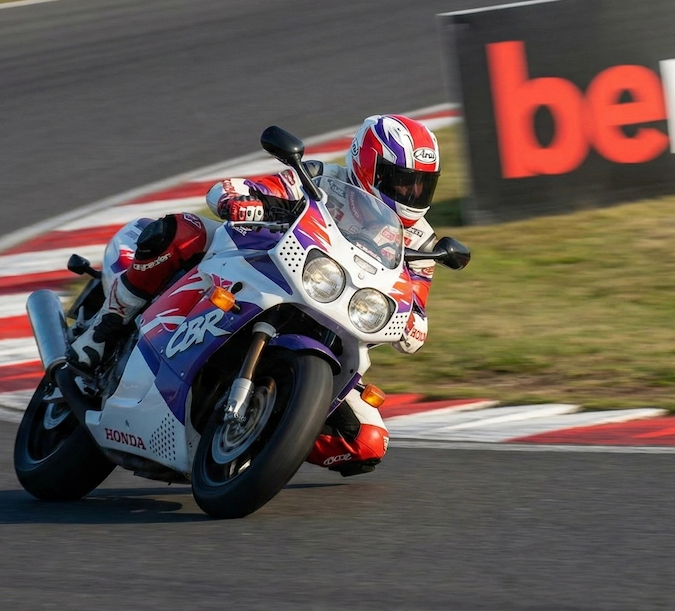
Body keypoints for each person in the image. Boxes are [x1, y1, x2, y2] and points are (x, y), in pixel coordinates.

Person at [66, 114, 442, 476]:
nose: (411, 193)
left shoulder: (423, 241)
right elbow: (237, 190)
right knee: (182, 230)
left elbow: (416, 304)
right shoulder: (320, 179)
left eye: (422, 184)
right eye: (402, 181)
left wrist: (413, 324)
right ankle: (104, 329)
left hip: (337, 316)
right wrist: (243, 199)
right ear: (366, 164)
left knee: (367, 443)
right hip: (263, 267)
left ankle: (269, 433)